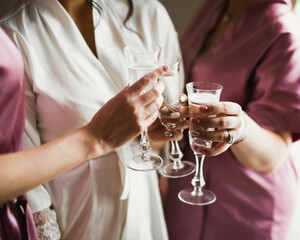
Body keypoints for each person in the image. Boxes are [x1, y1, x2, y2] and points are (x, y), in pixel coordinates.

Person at [1, 0, 182, 239]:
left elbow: (163, 133)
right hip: (79, 225)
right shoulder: (14, 33)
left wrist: (154, 136)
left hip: (145, 219)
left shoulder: (148, 15)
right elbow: (30, 191)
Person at [164, 0, 300, 239]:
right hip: (189, 185)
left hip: (246, 201)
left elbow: (276, 153)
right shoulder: (214, 7)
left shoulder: (282, 32)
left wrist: (242, 127)